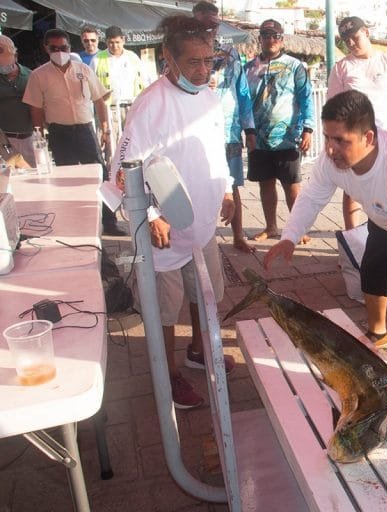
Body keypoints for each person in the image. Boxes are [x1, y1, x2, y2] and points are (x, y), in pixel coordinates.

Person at [264, 90, 387, 391]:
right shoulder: (331, 159)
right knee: (372, 277)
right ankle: (378, 333)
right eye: (327, 137)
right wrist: (290, 236)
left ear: (368, 137)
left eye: (340, 140)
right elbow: (312, 196)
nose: (330, 149)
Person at [110, 15, 236, 409]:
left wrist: (227, 189)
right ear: (169, 57)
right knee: (165, 310)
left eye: (209, 61)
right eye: (193, 62)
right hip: (164, 230)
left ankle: (199, 350)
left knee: (205, 292)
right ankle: (168, 375)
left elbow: (216, 149)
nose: (203, 71)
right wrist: (149, 216)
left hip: (203, 224)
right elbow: (121, 172)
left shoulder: (210, 98)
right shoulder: (151, 105)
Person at [22, 28, 126, 236]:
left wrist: (104, 126)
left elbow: (99, 99)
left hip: (85, 129)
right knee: (67, 180)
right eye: (54, 48)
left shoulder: (83, 70)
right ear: (46, 49)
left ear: (70, 47)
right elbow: (36, 108)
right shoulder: (38, 75)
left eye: (64, 47)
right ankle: (76, 224)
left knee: (100, 175)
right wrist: (39, 135)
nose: (60, 52)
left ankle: (109, 222)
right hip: (59, 133)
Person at [328, 16, 387, 230]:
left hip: (386, 139)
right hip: (353, 140)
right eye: (346, 40)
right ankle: (352, 238)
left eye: (355, 37)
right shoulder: (341, 68)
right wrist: (332, 142)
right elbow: (331, 107)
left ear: (366, 32)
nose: (351, 43)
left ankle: (386, 231)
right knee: (352, 191)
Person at [193, 1, 257, 253]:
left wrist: (249, 129)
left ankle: (238, 236)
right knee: (198, 185)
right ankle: (200, 239)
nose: (209, 30)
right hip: (196, 133)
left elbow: (243, 92)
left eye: (213, 25)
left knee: (232, 185)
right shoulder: (184, 54)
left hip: (228, 130)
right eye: (203, 25)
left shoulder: (230, 53)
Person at [244, 19, 314, 244]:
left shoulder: (295, 66)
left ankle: (298, 229)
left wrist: (308, 129)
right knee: (265, 184)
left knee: (292, 187)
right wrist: (247, 131)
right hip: (259, 139)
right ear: (260, 39)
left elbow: (306, 98)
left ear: (282, 39)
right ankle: (271, 227)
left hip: (287, 138)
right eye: (266, 35)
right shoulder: (249, 68)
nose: (271, 40)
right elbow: (244, 102)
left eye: (276, 36)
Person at [0, 35, 35, 166]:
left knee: (35, 173)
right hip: (4, 140)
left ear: (15, 56)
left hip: (29, 137)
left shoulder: (30, 75)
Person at [91, 25, 145, 106]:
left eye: (117, 42)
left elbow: (144, 80)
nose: (115, 46)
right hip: (109, 108)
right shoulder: (97, 59)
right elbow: (90, 84)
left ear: (123, 40)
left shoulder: (133, 57)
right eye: (111, 42)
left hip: (133, 106)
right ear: (106, 41)